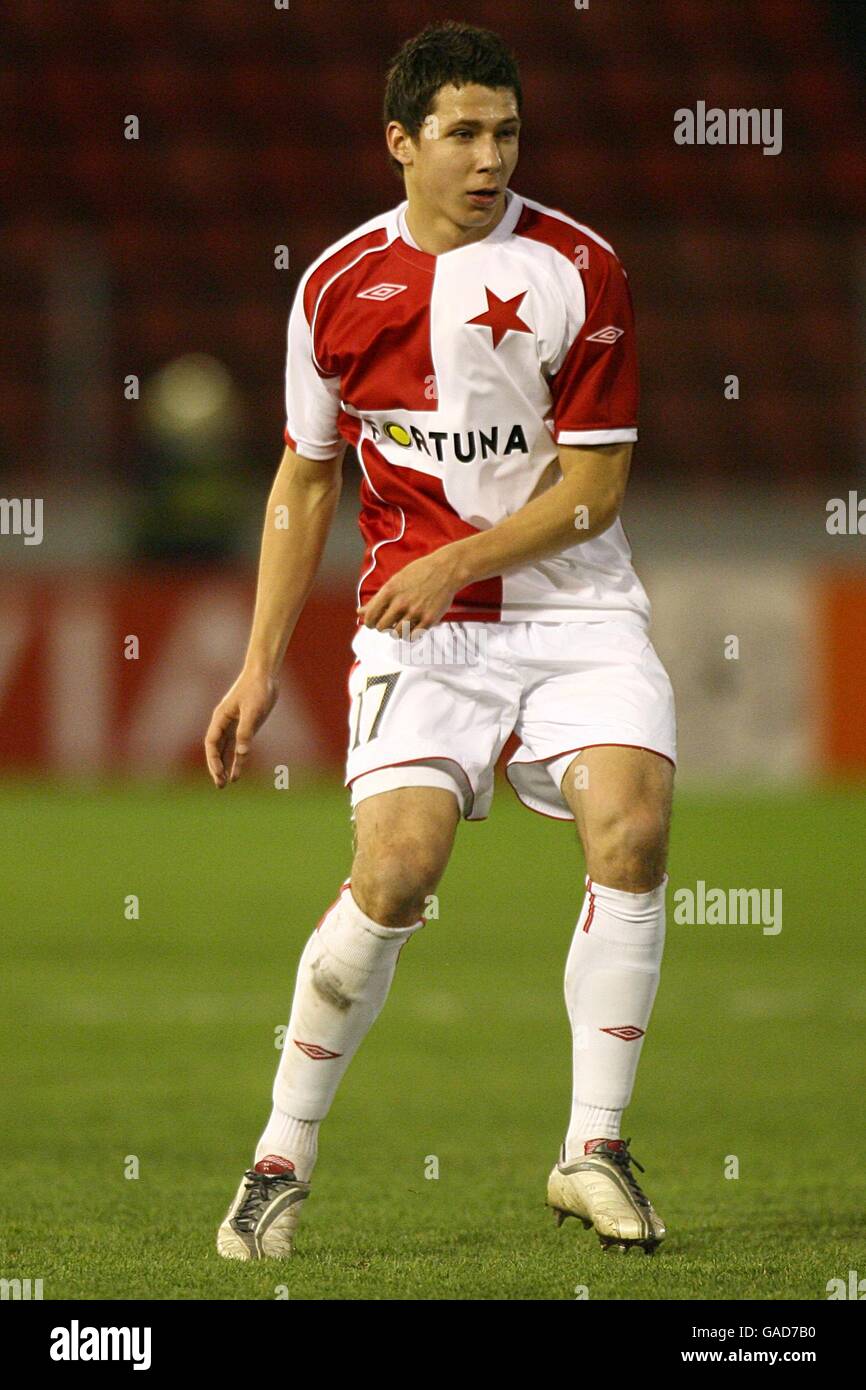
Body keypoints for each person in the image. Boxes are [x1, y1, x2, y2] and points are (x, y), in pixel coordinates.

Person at [205, 20, 676, 1261]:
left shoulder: (580, 266)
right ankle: (279, 1156)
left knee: (630, 828)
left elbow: (591, 493)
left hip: (572, 610)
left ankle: (592, 1146)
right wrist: (257, 664)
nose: (489, 157)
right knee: (396, 872)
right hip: (424, 641)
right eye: (462, 133)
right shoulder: (333, 287)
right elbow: (305, 480)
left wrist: (457, 558)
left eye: (506, 132)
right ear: (399, 142)